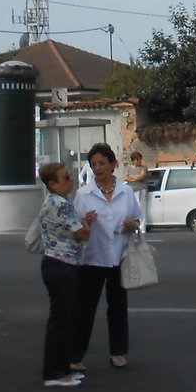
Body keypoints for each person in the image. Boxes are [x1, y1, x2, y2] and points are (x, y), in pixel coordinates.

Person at [72, 143, 144, 370]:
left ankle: (118, 352)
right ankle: (76, 356)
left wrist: (133, 224)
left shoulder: (126, 191)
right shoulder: (83, 194)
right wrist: (86, 222)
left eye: (102, 163)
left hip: (119, 256)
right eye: (93, 164)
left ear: (113, 164)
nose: (98, 168)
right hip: (92, 258)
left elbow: (139, 219)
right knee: (85, 309)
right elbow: (73, 227)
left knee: (118, 307)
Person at [37, 162, 91, 387]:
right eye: (66, 178)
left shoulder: (54, 202)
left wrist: (84, 224)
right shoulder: (61, 204)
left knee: (65, 318)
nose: (71, 180)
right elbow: (83, 234)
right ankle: (55, 373)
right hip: (62, 264)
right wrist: (87, 225)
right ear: (52, 184)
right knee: (61, 320)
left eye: (70, 176)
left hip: (57, 263)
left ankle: (63, 367)